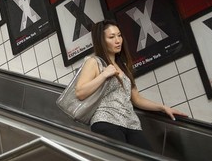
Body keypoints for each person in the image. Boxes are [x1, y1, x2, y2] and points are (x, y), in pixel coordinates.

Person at [75, 19, 187, 150]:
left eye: (119, 35)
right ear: (102, 41)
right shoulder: (94, 62)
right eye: (111, 37)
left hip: (131, 123)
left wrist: (162, 108)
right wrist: (104, 75)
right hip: (106, 121)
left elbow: (136, 99)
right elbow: (80, 92)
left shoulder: (123, 66)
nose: (118, 40)